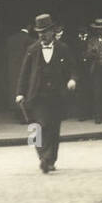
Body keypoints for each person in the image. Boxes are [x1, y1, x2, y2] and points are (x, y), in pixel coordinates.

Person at [15, 14, 79, 173]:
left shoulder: (63, 48)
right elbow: (24, 73)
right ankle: (44, 157)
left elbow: (73, 68)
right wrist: (20, 93)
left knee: (53, 128)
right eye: (39, 32)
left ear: (52, 31)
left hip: (57, 95)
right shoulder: (32, 50)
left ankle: (50, 160)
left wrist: (72, 80)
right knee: (38, 126)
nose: (42, 35)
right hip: (37, 95)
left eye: (45, 31)